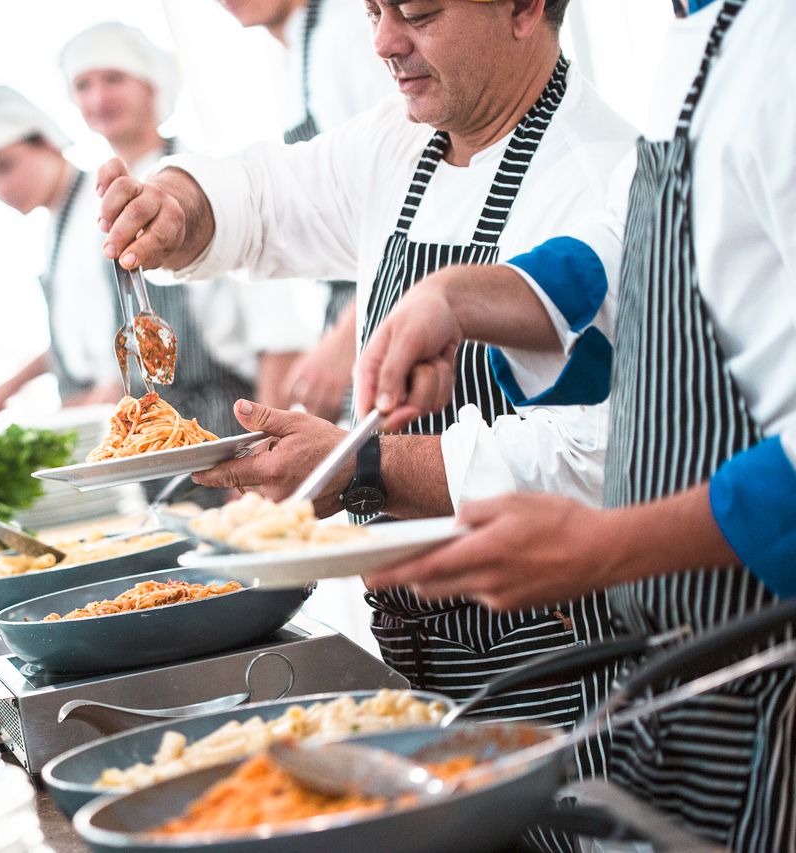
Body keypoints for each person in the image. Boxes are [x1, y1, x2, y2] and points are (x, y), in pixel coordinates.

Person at [96, 0, 635, 773]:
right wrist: (177, 206)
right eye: (374, 9)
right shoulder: (400, 141)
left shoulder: (603, 178)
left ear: (522, 7)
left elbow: (601, 462)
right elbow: (265, 193)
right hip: (418, 655)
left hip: (563, 663)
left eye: (418, 12)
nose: (383, 41)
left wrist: (365, 466)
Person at [356, 1, 795, 848]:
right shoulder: (698, 33)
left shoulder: (780, 45)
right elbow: (623, 242)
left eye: (416, 11)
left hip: (767, 661)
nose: (383, 38)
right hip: (696, 669)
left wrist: (609, 546)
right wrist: (456, 298)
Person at [59, 21, 318, 432]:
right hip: (141, 433)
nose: (98, 97)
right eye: (83, 85)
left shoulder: (208, 183)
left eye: (114, 79)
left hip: (225, 422)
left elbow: (277, 332)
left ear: (152, 85)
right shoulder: (81, 215)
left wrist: (265, 441)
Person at [217, 0, 396, 421]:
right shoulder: (296, 56)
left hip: (395, 304)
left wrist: (346, 339)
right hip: (360, 309)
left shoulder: (351, 34)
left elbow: (419, 193)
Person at [0, 86, 125, 417]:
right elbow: (73, 337)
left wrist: (108, 393)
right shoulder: (56, 227)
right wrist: (9, 386)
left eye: (4, 166)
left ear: (47, 142)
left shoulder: (103, 204)